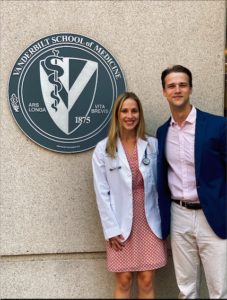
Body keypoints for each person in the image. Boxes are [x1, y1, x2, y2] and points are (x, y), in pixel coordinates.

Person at [156, 65, 227, 299]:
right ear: (164, 92)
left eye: (182, 84)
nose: (177, 89)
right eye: (171, 86)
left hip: (214, 216)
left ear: (191, 89)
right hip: (179, 215)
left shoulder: (218, 125)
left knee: (220, 290)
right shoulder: (162, 132)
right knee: (186, 289)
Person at [92, 92, 167, 299]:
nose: (129, 115)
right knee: (124, 279)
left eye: (134, 110)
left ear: (140, 114)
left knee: (146, 279)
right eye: (124, 111)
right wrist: (110, 228)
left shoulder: (152, 145)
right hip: (119, 220)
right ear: (117, 115)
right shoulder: (103, 149)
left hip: (149, 218)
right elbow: (101, 193)